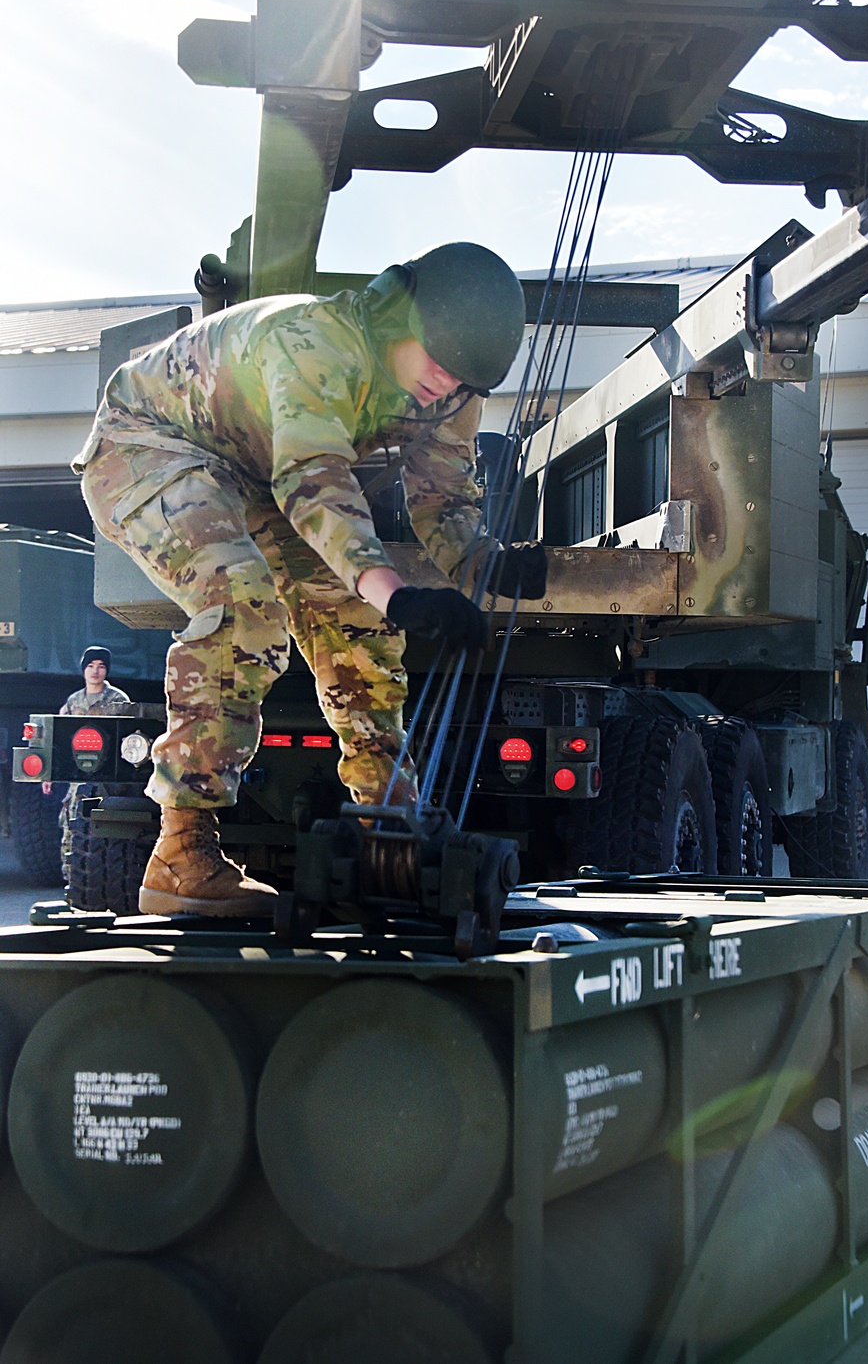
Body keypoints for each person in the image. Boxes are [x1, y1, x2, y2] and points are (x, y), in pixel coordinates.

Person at [75, 242, 547, 918]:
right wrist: (397, 590)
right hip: (151, 444)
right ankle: (180, 853)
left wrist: (486, 562)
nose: (442, 387)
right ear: (398, 320)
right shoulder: (315, 341)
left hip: (254, 465)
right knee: (243, 607)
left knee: (356, 626)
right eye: (436, 365)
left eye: (461, 381)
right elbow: (314, 483)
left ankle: (390, 832)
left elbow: (442, 497)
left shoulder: (450, 389)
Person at [43, 647, 132, 878]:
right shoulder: (74, 702)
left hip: (108, 778)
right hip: (78, 776)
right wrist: (48, 775)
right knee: (71, 826)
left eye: (101, 666)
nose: (95, 671)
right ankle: (71, 880)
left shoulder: (117, 699)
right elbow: (59, 740)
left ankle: (103, 880)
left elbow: (128, 738)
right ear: (84, 670)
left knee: (105, 828)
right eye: (91, 666)